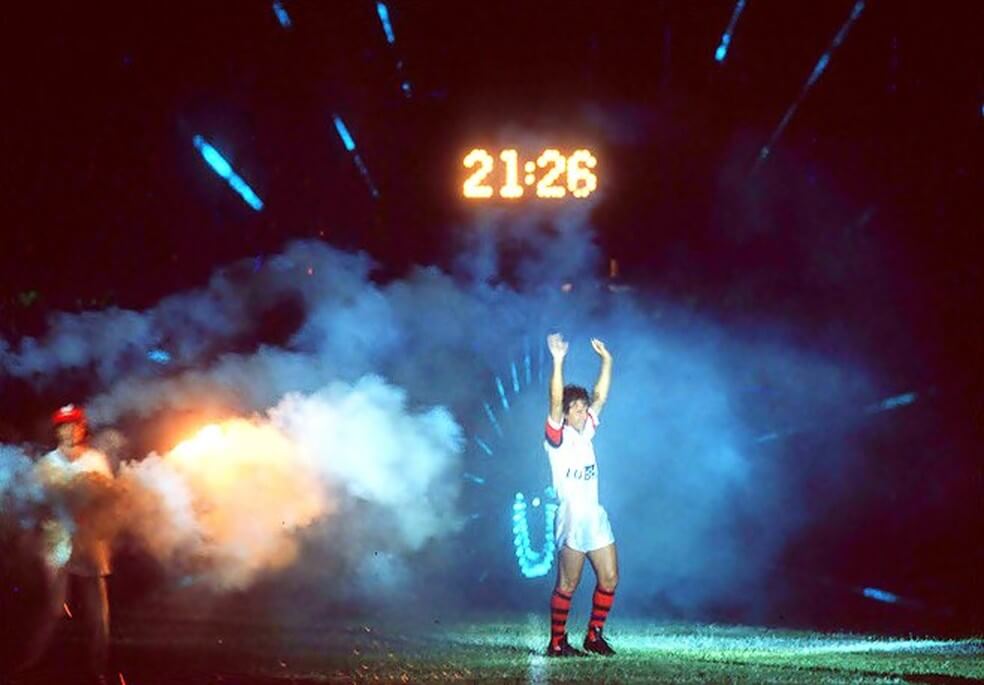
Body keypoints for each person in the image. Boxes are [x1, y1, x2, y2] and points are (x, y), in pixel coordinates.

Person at [19, 404, 114, 683]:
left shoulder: (96, 460)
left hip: (90, 540)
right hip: (57, 540)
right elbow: (34, 503)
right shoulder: (47, 464)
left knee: (97, 610)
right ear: (57, 430)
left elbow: (110, 499)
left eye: (75, 425)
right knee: (53, 607)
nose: (70, 431)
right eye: (64, 426)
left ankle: (98, 668)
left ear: (83, 428)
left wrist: (95, 510)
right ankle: (32, 661)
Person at [543, 333, 618, 657]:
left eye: (583, 408)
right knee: (568, 585)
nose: (582, 411)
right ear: (565, 411)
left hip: (594, 515)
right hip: (571, 517)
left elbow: (601, 396)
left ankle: (593, 636)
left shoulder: (586, 432)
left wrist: (607, 361)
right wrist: (559, 361)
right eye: (576, 408)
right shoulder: (556, 439)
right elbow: (554, 399)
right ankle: (557, 642)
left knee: (610, 578)